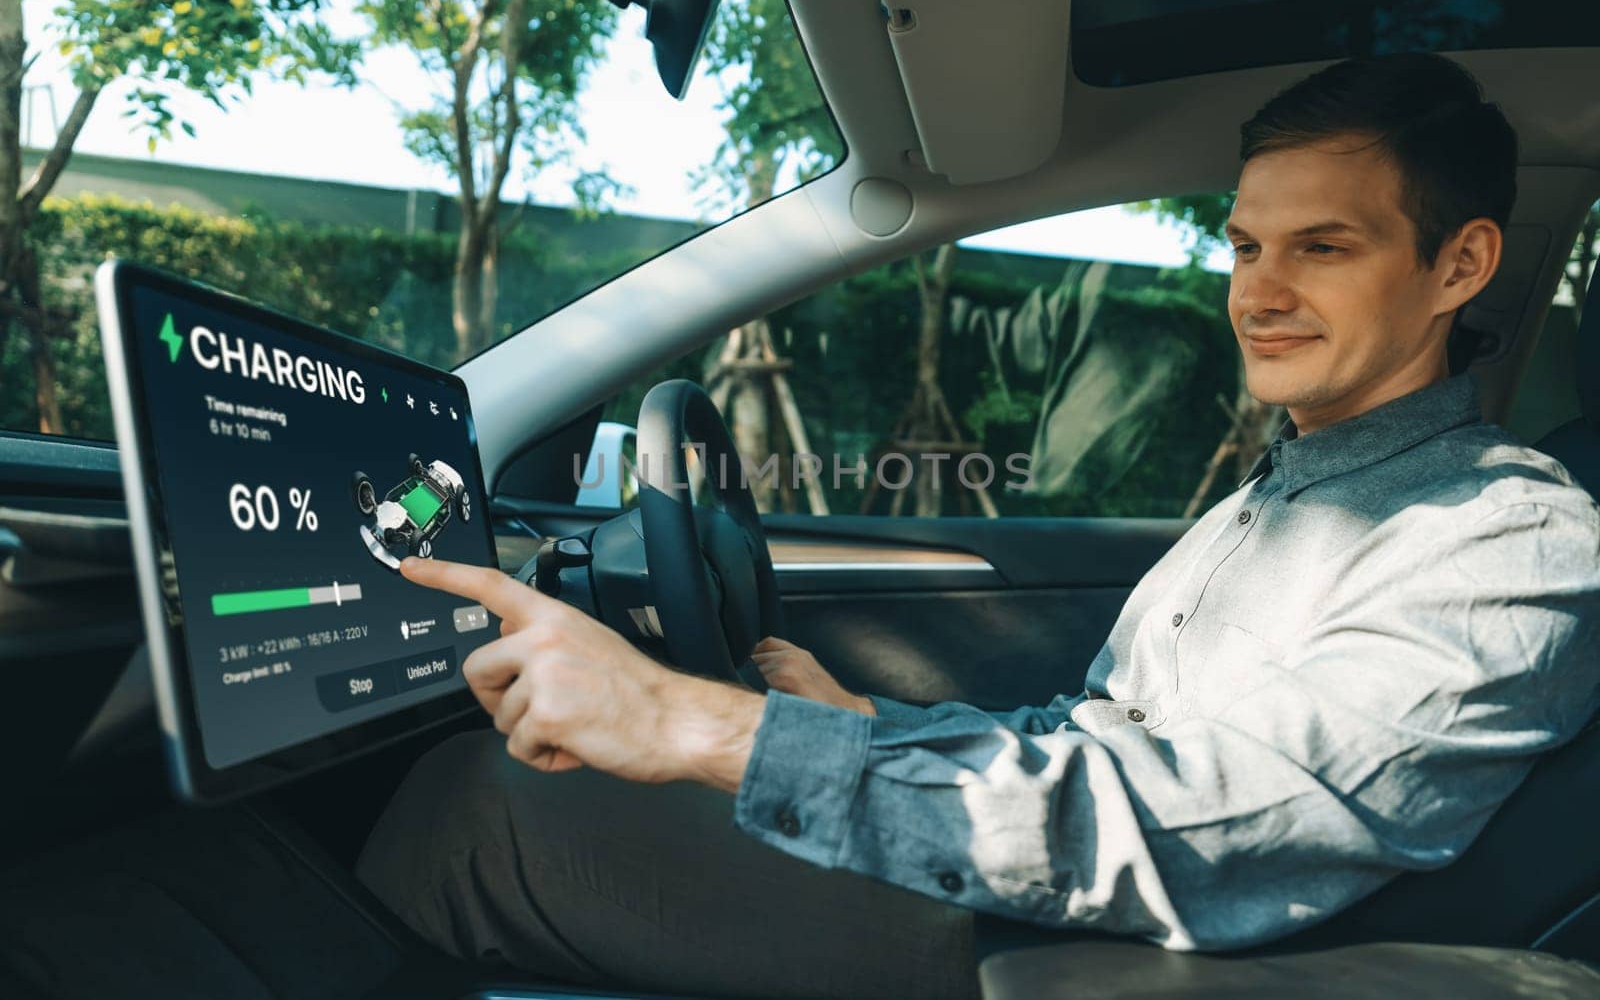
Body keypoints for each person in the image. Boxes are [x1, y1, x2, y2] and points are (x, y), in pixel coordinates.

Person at [356, 52, 1600, 999]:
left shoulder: (1509, 539)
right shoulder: (1280, 494)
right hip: (1065, 900)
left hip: (1120, 955)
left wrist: (695, 720)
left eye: (1322, 247)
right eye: (1244, 245)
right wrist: (863, 729)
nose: (1258, 293)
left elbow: (1222, 829)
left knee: (492, 808)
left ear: (1459, 264)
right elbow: (1101, 737)